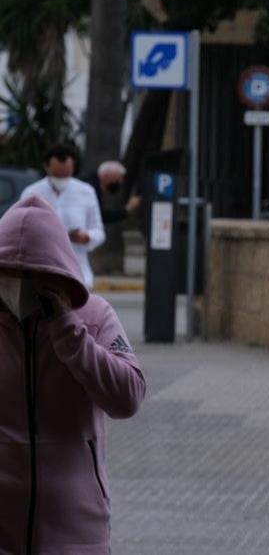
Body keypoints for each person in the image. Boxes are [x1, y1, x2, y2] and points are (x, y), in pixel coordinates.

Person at [0, 194, 146, 554]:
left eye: (33, 274)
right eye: (10, 273)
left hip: (76, 534)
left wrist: (69, 333)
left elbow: (128, 398)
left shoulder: (93, 316)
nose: (20, 286)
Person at [20, 143, 105, 289]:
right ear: (47, 167)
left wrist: (87, 237)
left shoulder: (86, 192)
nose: (62, 179)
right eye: (57, 174)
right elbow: (20, 230)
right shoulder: (31, 193)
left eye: (66, 173)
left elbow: (98, 230)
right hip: (42, 270)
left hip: (77, 271)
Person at [81, 160, 142, 226]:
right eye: (119, 178)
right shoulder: (91, 188)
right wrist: (126, 210)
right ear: (106, 176)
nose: (120, 182)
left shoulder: (92, 182)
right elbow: (100, 216)